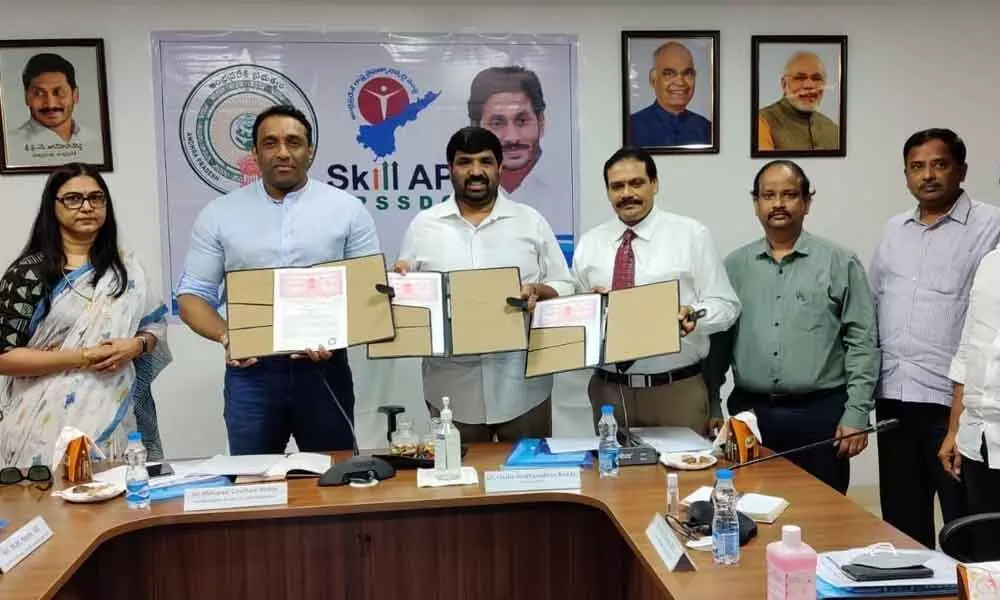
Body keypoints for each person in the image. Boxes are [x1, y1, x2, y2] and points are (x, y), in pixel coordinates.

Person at [176, 104, 379, 455]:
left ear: (310, 150)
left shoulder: (347, 210)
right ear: (255, 153)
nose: (282, 152)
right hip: (252, 373)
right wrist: (229, 336)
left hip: (324, 369)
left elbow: (368, 293)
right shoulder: (220, 214)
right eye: (270, 143)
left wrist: (339, 335)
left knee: (334, 481)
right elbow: (192, 296)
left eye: (293, 142)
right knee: (252, 483)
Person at [394, 126, 574, 442]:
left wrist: (541, 291)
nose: (476, 172)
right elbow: (404, 290)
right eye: (465, 162)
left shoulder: (529, 221)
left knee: (530, 484)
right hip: (449, 390)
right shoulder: (424, 226)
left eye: (485, 162)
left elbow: (566, 284)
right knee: (458, 485)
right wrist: (400, 283)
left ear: (499, 167)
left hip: (522, 387)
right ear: (450, 169)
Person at [708, 160, 878, 494]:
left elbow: (863, 341)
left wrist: (857, 413)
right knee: (751, 506)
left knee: (821, 514)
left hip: (820, 415)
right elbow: (719, 345)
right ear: (756, 203)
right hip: (750, 414)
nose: (778, 203)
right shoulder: (734, 266)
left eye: (789, 194)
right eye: (768, 195)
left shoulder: (839, 262)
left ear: (806, 202)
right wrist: (712, 402)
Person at [871, 128, 1000, 549]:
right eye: (917, 167)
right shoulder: (894, 229)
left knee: (965, 527)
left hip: (952, 405)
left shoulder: (990, 225)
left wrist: (958, 419)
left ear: (961, 170)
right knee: (901, 524)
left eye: (939, 164)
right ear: (906, 174)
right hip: (894, 398)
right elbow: (874, 303)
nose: (927, 175)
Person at [0, 163, 171, 468]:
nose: (87, 207)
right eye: (73, 199)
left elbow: (154, 328)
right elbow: (4, 358)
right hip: (41, 425)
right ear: (52, 206)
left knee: (118, 505)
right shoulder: (28, 273)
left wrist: (136, 345)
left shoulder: (126, 270)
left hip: (117, 417)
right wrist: (84, 356)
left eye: (96, 198)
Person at [572, 147, 739, 435]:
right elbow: (576, 317)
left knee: (683, 479)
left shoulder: (691, 235)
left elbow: (726, 305)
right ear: (608, 191)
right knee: (613, 478)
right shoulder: (590, 243)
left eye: (636, 183)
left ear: (654, 184)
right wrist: (588, 306)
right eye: (617, 186)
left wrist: (695, 316)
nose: (627, 193)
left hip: (675, 391)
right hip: (609, 393)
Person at [940, 247, 1000, 523]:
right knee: (984, 552)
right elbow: (967, 350)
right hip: (978, 437)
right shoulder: (991, 262)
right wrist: (955, 429)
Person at [467, 66, 550, 206]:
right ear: (476, 128)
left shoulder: (563, 187)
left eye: (522, 121)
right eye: (497, 123)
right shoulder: (462, 187)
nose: (512, 138)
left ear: (541, 123)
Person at [629, 41, 712, 147]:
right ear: (653, 79)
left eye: (687, 73)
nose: (680, 82)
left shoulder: (707, 129)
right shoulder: (632, 127)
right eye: (669, 74)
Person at [757, 51, 839, 152]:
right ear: (784, 84)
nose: (809, 85)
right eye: (800, 78)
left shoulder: (833, 129)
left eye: (817, 78)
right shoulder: (762, 122)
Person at [13, 53, 89, 147]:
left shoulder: (94, 139)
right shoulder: (12, 143)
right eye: (39, 94)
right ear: (26, 97)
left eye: (59, 92)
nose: (50, 104)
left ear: (75, 95)